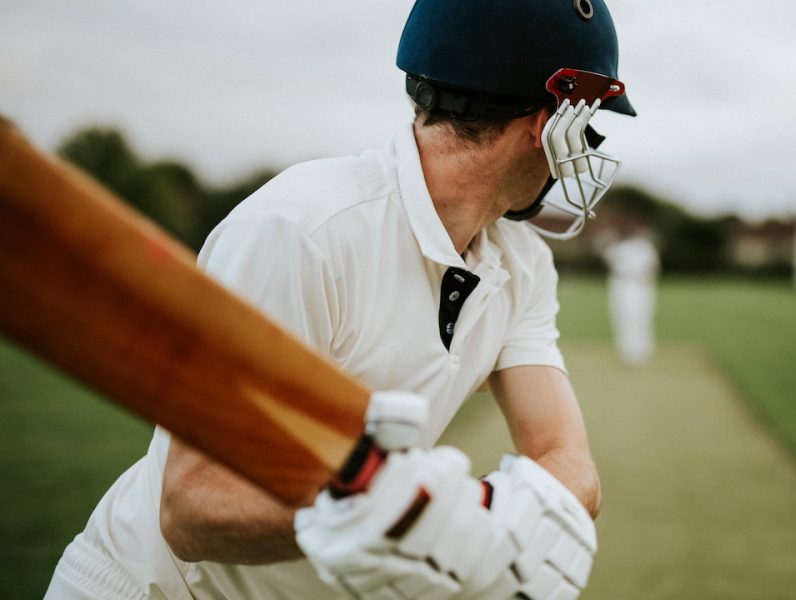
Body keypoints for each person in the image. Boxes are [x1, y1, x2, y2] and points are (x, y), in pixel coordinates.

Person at [45, 1, 636, 598]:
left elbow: (565, 457)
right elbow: (192, 509)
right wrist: (407, 518)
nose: (585, 150)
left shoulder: (523, 262)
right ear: (546, 125)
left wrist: (477, 513)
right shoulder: (301, 230)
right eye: (588, 126)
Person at [603, 231, 660, 366]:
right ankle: (626, 351)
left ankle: (642, 351)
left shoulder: (645, 246)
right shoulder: (618, 246)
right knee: (623, 317)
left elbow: (653, 268)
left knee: (642, 316)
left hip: (640, 284)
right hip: (622, 284)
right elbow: (606, 255)